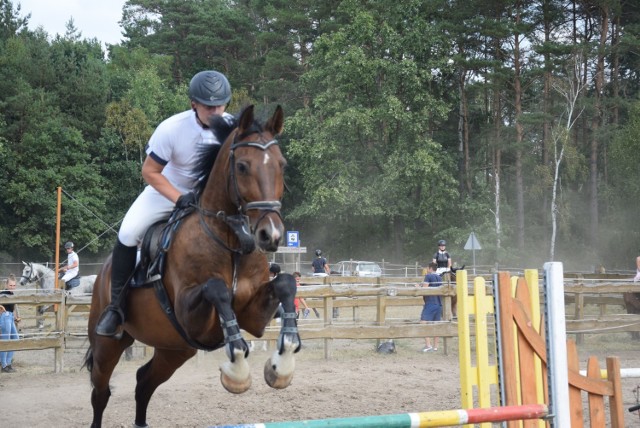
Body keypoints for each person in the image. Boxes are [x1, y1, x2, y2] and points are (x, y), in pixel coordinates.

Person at [96, 70, 233, 337]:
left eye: (220, 104)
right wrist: (178, 198)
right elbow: (149, 172)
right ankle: (115, 308)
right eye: (208, 106)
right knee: (127, 233)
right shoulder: (172, 128)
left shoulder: (233, 127)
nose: (216, 111)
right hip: (166, 192)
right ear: (194, 103)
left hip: (209, 198)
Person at [417, 262, 442, 352]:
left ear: (430, 268)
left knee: (423, 323)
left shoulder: (428, 276)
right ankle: (435, 347)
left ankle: (428, 345)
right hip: (439, 304)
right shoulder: (439, 277)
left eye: (428, 268)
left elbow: (425, 289)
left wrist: (418, 287)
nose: (427, 269)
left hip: (430, 303)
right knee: (436, 325)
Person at [1, 274, 21, 372]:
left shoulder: (12, 295)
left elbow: (12, 308)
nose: (12, 287)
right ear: (6, 284)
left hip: (10, 317)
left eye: (13, 286)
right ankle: (4, 365)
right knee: (6, 341)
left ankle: (8, 363)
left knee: (15, 339)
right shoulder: (3, 293)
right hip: (5, 317)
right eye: (10, 285)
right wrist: (1, 307)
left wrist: (16, 317)